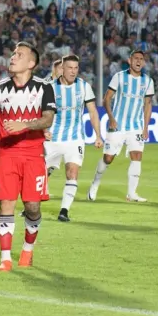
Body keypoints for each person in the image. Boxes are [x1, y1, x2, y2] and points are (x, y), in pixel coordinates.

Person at [0, 41, 57, 271]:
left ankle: (27, 250)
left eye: (19, 55)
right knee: (6, 204)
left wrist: (24, 124)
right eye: (12, 54)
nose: (13, 57)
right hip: (6, 154)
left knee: (32, 207)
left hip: (33, 155)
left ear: (31, 63)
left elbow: (48, 119)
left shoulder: (43, 88)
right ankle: (5, 258)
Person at [0, 60, 62, 198]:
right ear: (55, 69)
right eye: (61, 68)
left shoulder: (62, 84)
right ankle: (36, 189)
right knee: (43, 160)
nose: (64, 70)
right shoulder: (46, 83)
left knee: (48, 161)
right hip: (40, 131)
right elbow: (35, 111)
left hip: (51, 128)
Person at [87, 50, 154, 203]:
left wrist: (145, 127)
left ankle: (132, 193)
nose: (138, 61)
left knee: (137, 156)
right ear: (129, 61)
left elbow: (148, 104)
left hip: (136, 126)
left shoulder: (148, 81)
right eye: (135, 58)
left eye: (141, 59)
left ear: (143, 63)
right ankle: (95, 183)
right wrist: (111, 118)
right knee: (108, 158)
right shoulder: (119, 77)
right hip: (117, 125)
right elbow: (107, 99)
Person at [45, 54, 104, 222]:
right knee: (40, 175)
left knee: (72, 172)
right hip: (52, 138)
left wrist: (98, 136)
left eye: (76, 68)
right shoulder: (50, 87)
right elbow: (39, 112)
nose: (73, 71)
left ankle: (64, 210)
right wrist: (42, 130)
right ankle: (31, 208)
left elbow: (92, 112)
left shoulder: (84, 87)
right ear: (62, 69)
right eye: (69, 68)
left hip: (75, 138)